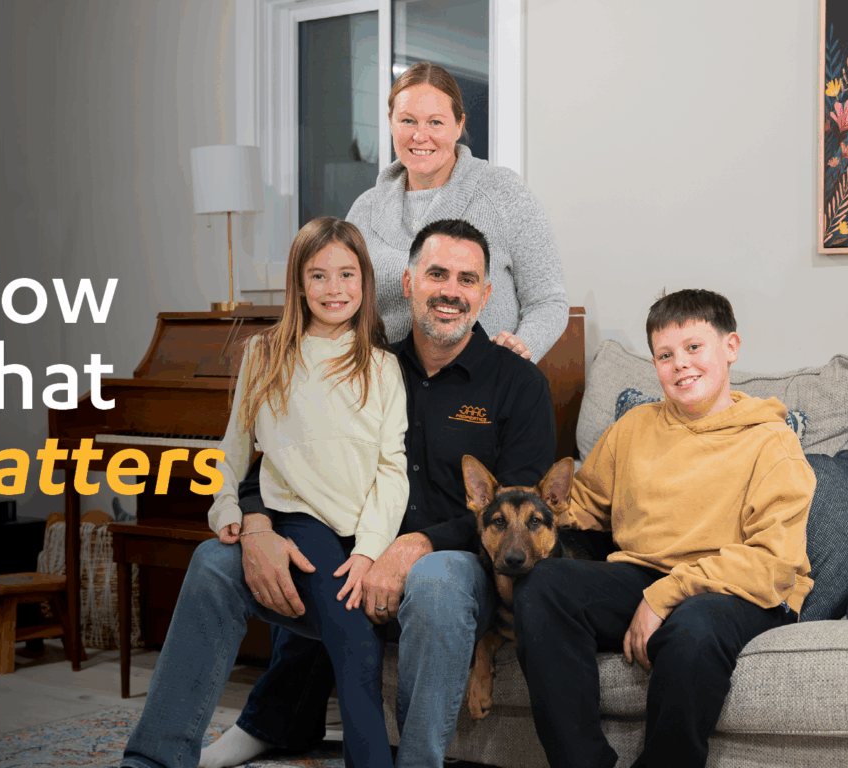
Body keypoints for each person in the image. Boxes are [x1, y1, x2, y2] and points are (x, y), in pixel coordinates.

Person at [197, 218, 556, 768]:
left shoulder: (520, 384)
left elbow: (519, 517)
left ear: (485, 295)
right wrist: (255, 518)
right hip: (358, 535)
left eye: (466, 279)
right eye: (437, 274)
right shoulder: (365, 360)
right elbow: (280, 459)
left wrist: (414, 545)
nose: (450, 291)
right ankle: (270, 721)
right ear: (409, 283)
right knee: (316, 554)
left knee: (434, 582)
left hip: (458, 559)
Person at [121, 216, 409, 768]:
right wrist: (226, 507)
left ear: (365, 282)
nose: (334, 289)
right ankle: (151, 760)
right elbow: (232, 449)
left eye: (347, 275)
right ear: (299, 285)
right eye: (318, 276)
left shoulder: (382, 367)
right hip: (297, 523)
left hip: (356, 539)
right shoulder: (266, 353)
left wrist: (371, 548)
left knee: (355, 644)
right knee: (355, 643)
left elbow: (391, 469)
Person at [515, 289, 814, 768]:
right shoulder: (634, 427)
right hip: (642, 573)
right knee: (543, 584)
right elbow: (582, 506)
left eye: (694, 348)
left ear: (730, 347)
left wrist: (665, 596)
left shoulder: (772, 442)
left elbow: (771, 563)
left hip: (740, 588)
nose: (681, 365)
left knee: (691, 629)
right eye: (665, 355)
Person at [347, 61, 568, 363]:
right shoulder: (364, 210)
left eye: (435, 122)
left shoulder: (503, 192)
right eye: (408, 121)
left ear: (459, 125)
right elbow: (349, 306)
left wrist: (515, 356)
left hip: (483, 386)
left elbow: (548, 300)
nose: (420, 135)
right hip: (386, 390)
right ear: (390, 122)